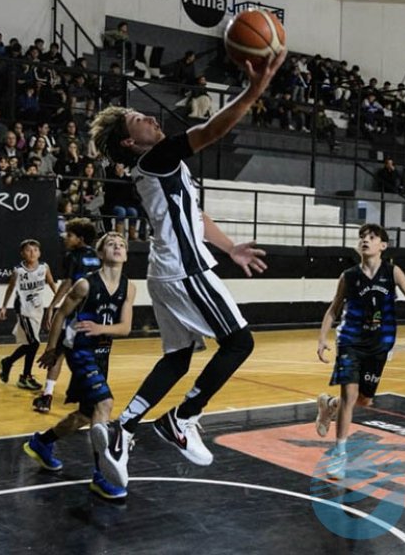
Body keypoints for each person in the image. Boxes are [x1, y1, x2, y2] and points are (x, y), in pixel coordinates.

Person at [85, 47, 287, 490]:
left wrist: (231, 247)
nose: (152, 120)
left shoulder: (161, 166)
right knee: (239, 343)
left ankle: (125, 428)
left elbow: (194, 216)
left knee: (177, 358)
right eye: (141, 119)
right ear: (128, 140)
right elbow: (212, 129)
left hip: (168, 269)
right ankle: (183, 417)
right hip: (185, 270)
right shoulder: (155, 158)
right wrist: (255, 88)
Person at [313, 225, 405, 470]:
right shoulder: (349, 276)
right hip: (350, 340)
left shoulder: (392, 272)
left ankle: (329, 406)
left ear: (383, 246)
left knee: (364, 401)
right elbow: (334, 308)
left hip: (380, 343)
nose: (366, 240)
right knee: (350, 395)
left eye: (372, 237)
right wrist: (323, 338)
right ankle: (339, 454)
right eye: (362, 237)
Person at [24, 232, 136, 500]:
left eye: (122, 245)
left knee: (87, 415)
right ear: (100, 254)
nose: (117, 247)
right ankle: (101, 476)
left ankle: (42, 442)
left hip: (101, 353)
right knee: (104, 404)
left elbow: (126, 328)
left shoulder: (129, 287)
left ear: (127, 254)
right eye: (111, 244)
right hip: (80, 351)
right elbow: (61, 313)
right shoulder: (86, 285)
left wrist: (101, 328)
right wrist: (51, 349)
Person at [32, 217, 102, 413]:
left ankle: (47, 395)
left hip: (76, 312)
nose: (65, 237)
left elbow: (68, 282)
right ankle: (93, 393)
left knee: (58, 352)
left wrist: (53, 305)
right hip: (95, 312)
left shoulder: (73, 256)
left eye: (69, 235)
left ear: (80, 239)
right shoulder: (98, 256)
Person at [0, 239, 58, 390]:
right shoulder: (18, 270)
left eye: (35, 250)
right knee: (35, 343)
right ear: (22, 253)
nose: (32, 253)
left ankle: (9, 363)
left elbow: (51, 283)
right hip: (23, 309)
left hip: (38, 308)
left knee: (29, 344)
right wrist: (4, 306)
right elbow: (10, 289)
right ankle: (25, 376)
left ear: (39, 253)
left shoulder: (44, 267)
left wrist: (58, 299)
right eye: (28, 250)